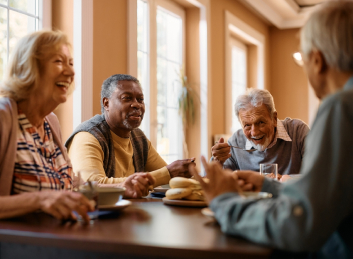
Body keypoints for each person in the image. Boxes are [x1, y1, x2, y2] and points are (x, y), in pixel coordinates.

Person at [192, 1, 353, 257]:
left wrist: (224, 204)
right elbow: (328, 196)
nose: (253, 131)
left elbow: (300, 223)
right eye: (247, 125)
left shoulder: (340, 107)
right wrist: (268, 186)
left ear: (317, 60)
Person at [0, 31, 153, 222]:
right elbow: (45, 199)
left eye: (71, 63)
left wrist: (122, 187)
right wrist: (39, 200)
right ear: (28, 67)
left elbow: (72, 186)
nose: (71, 72)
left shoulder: (50, 122)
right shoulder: (4, 117)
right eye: (58, 61)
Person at [65, 74, 195, 190]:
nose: (137, 105)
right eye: (127, 98)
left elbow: (172, 179)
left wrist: (214, 161)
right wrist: (168, 173)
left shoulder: (138, 137)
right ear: (106, 103)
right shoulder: (88, 136)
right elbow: (92, 186)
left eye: (140, 99)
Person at [211, 88, 309, 177]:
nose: (254, 133)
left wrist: (285, 181)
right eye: (247, 125)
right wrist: (217, 162)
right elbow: (215, 183)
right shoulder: (235, 142)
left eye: (261, 122)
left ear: (274, 118)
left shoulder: (298, 132)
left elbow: (319, 174)